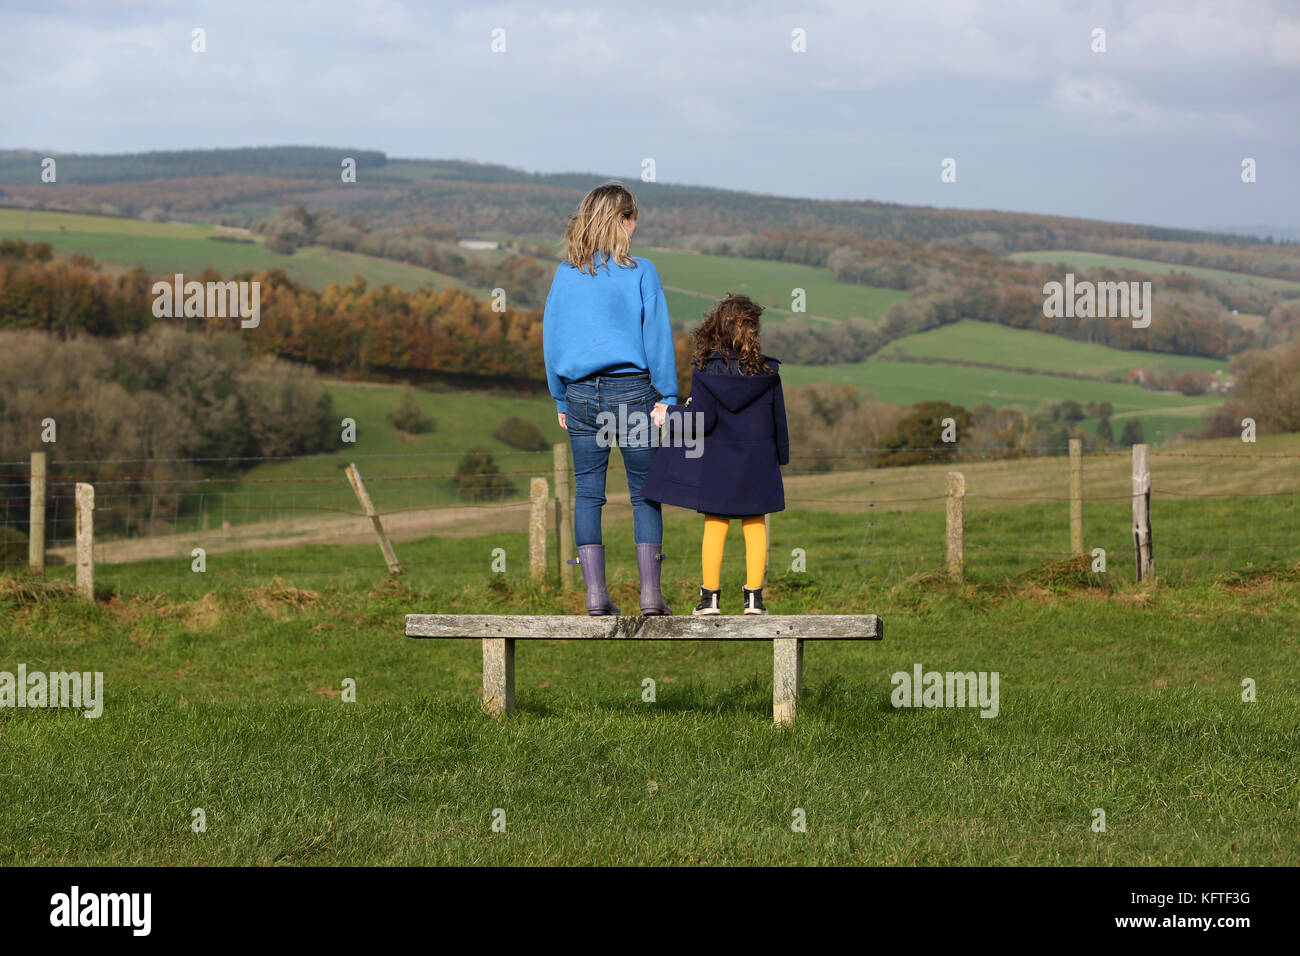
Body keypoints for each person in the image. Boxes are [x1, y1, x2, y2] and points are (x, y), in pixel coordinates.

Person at [543, 181, 678, 615]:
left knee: (588, 495)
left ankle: (595, 595)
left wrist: (560, 398)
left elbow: (552, 337)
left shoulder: (566, 274)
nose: (637, 226)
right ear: (622, 220)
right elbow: (656, 337)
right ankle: (651, 595)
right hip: (634, 392)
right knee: (644, 494)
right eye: (634, 218)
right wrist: (669, 394)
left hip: (580, 394)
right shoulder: (642, 271)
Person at [640, 294, 789, 615]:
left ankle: (710, 599)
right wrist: (781, 458)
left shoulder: (706, 372)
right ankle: (754, 599)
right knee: (755, 523)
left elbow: (703, 420)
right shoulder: (767, 372)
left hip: (718, 463)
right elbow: (779, 419)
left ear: (716, 328)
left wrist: (670, 413)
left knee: (716, 523)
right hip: (758, 461)